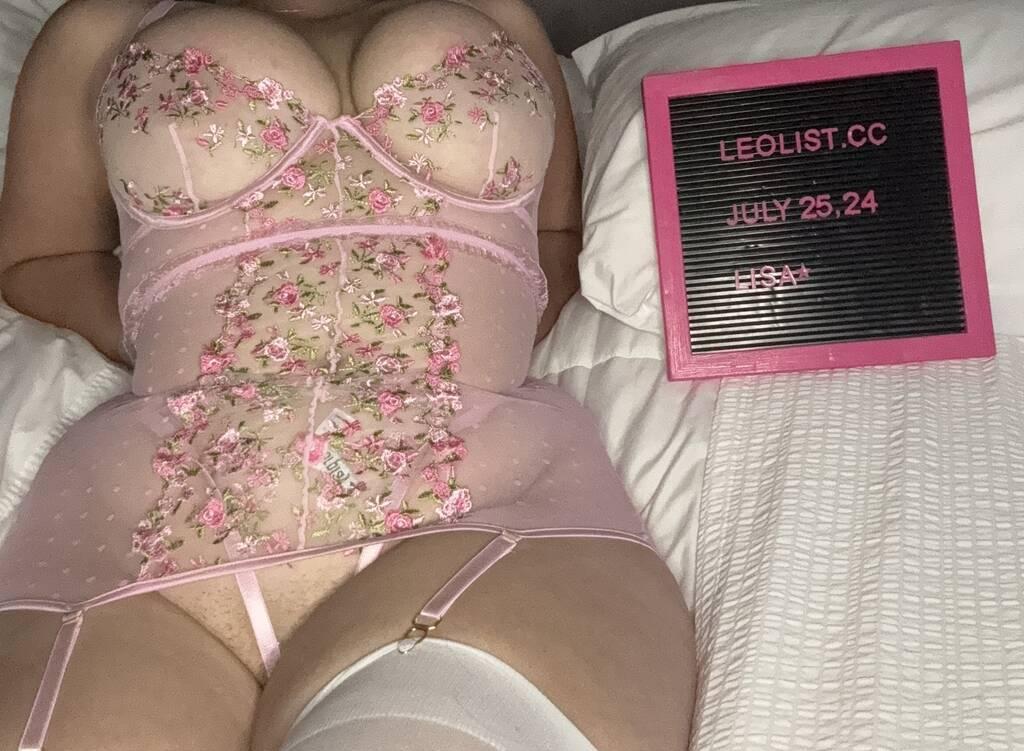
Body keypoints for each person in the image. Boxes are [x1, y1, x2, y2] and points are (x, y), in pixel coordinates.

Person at [0, 1, 696, 748]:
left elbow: (552, 239)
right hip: (148, 531)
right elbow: (39, 261)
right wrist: (175, 329)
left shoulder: (498, 10)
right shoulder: (102, 22)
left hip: (484, 506)